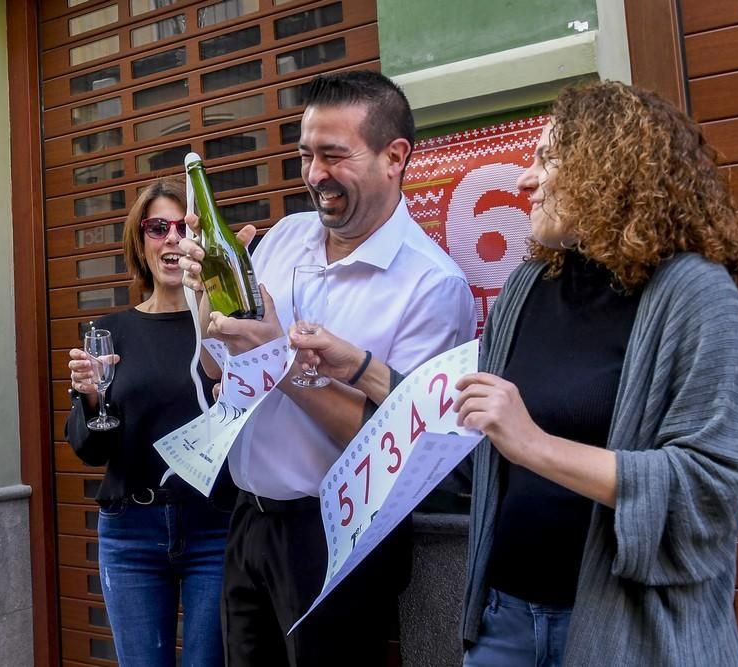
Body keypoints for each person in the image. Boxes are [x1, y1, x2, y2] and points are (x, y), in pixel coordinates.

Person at [292, 81, 738, 666]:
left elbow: (709, 491)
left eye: (548, 158)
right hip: (504, 622)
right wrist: (360, 369)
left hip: (626, 629)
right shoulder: (528, 286)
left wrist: (535, 445)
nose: (524, 179)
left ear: (610, 169)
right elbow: (466, 417)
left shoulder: (695, 296)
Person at [178, 70, 475, 666]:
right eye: (306, 154)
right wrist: (204, 301)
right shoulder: (284, 236)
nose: (314, 175)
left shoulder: (432, 284)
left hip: (337, 538)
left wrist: (280, 361)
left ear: (395, 158)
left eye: (334, 155)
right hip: (249, 520)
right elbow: (217, 369)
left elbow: (400, 445)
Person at [66, 176, 242, 666]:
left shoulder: (224, 326)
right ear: (139, 244)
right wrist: (90, 399)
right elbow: (90, 450)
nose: (170, 238)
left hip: (215, 525)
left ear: (198, 243)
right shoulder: (110, 332)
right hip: (131, 531)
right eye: (155, 227)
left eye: (181, 228)